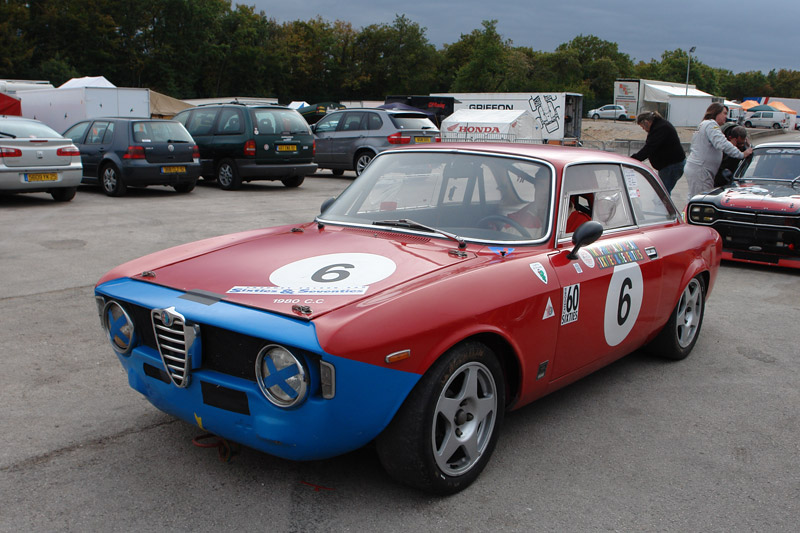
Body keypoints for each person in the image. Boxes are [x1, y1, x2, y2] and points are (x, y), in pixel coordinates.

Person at [684, 103, 753, 200]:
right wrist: (741, 154)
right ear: (716, 113)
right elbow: (722, 143)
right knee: (702, 199)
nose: (726, 117)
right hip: (702, 170)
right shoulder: (711, 125)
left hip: (698, 168)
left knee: (695, 197)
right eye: (724, 113)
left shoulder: (704, 124)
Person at [630, 111, 686, 193]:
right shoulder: (660, 126)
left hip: (671, 166)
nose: (644, 129)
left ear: (646, 122)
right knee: (662, 192)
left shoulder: (660, 128)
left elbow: (650, 147)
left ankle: (663, 205)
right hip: (670, 165)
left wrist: (634, 159)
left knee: (662, 194)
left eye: (643, 127)